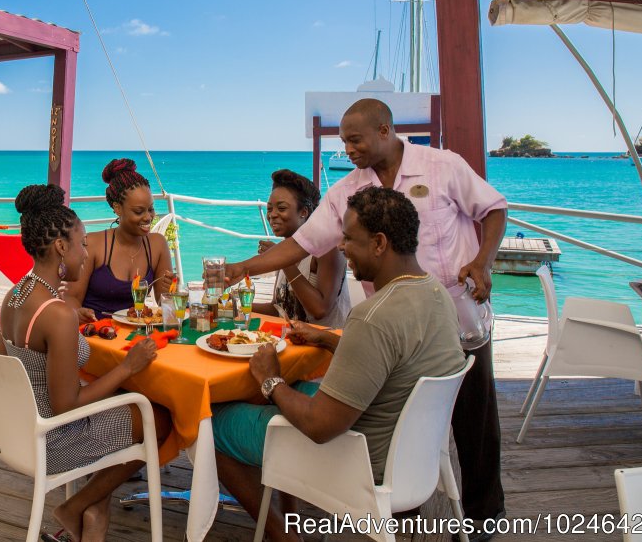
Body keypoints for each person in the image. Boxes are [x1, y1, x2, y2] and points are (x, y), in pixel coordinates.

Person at [225, 98, 507, 536]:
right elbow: (302, 243)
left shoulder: (442, 166)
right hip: (403, 330)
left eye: (355, 139)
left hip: (459, 319)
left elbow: (493, 210)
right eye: (344, 141)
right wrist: (241, 269)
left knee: (477, 433)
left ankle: (484, 523)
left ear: (384, 130)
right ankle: (403, 502)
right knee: (405, 416)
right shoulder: (348, 193)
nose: (349, 148)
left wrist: (483, 262)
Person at [213, 187, 467, 542]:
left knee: (210, 425)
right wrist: (330, 339)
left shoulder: (373, 317)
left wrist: (271, 381)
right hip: (411, 453)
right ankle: (288, 514)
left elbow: (319, 427)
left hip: (357, 460)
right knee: (266, 396)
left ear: (379, 243)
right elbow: (399, 354)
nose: (342, 246)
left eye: (349, 238)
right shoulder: (437, 293)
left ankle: (282, 536)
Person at [0, 183, 171, 542]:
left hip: (18, 430)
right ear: (61, 247)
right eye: (82, 244)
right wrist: (128, 366)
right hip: (55, 440)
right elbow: (66, 405)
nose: (85, 252)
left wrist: (69, 329)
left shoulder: (15, 295)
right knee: (161, 418)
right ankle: (76, 506)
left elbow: (11, 371)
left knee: (128, 402)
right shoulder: (56, 314)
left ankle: (94, 509)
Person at [64, 159, 174, 321]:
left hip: (134, 335)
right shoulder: (94, 244)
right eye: (138, 211)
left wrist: (169, 291)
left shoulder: (157, 244)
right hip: (96, 333)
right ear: (117, 208)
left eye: (150, 209)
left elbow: (163, 303)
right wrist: (77, 313)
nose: (148, 217)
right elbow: (71, 298)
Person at [253, 169, 350, 328]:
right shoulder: (285, 249)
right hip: (295, 341)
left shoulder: (326, 247)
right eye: (269, 209)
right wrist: (235, 308)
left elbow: (320, 310)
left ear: (304, 212)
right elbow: (279, 309)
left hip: (326, 347)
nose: (272, 215)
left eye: (281, 208)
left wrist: (282, 261)